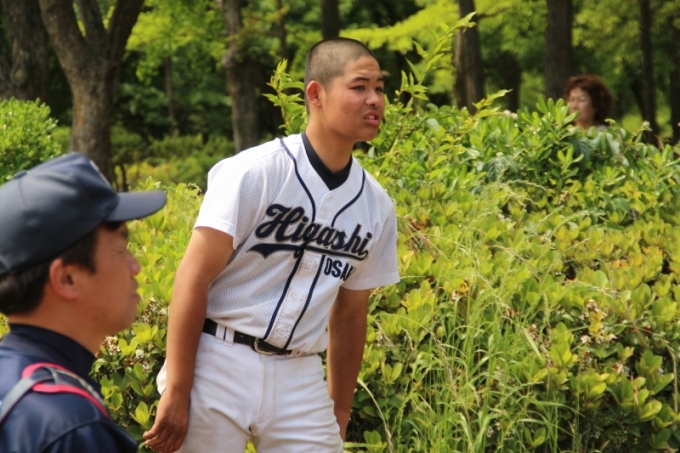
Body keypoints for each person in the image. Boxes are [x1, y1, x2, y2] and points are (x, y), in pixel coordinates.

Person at [143, 37, 400, 453]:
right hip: (218, 358)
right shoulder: (256, 172)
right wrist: (177, 388)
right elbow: (193, 277)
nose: (374, 100)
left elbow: (352, 315)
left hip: (301, 374)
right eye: (359, 87)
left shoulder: (376, 205)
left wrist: (339, 410)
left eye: (379, 88)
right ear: (315, 94)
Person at [0, 153, 167, 452]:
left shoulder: (13, 380)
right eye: (121, 248)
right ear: (67, 278)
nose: (135, 266)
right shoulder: (74, 428)